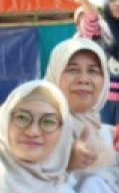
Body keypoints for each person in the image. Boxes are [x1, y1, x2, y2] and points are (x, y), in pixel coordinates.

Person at [45, 38, 114, 172]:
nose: (83, 79)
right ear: (55, 73)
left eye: (93, 71)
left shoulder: (104, 131)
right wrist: (68, 165)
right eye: (72, 69)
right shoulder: (42, 128)